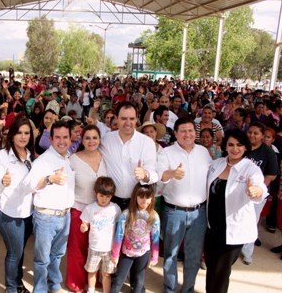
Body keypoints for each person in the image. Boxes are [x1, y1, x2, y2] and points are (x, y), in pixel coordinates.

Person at [205, 128, 267, 293]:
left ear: (246, 147)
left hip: (233, 231)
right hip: (212, 229)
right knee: (211, 267)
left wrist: (256, 191)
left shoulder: (251, 169)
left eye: (239, 145)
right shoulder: (216, 164)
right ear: (225, 146)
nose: (235, 148)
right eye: (231, 144)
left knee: (220, 271)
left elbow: (259, 187)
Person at [157, 117, 212, 293]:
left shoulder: (203, 152)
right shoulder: (166, 153)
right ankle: (170, 289)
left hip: (199, 213)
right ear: (175, 134)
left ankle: (188, 289)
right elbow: (159, 178)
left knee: (194, 256)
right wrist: (171, 173)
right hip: (174, 212)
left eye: (190, 131)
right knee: (171, 254)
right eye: (183, 131)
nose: (187, 134)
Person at [24, 120, 75, 293]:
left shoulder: (68, 158)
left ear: (71, 138)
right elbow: (30, 186)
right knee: (42, 258)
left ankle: (54, 284)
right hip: (46, 217)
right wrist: (49, 179)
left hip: (65, 216)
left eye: (65, 137)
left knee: (58, 255)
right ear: (51, 139)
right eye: (58, 137)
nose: (62, 141)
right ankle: (40, 289)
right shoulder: (43, 161)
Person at [0, 117, 35, 293]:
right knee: (14, 254)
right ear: (12, 134)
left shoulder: (29, 154)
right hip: (8, 214)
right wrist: (2, 182)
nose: (23, 136)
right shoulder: (2, 156)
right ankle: (11, 288)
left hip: (27, 213)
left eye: (26, 133)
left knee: (19, 251)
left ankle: (18, 283)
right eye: (19, 132)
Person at [65, 125, 108, 293]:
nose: (91, 141)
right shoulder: (73, 160)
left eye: (95, 137)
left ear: (99, 139)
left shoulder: (105, 157)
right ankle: (76, 282)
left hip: (101, 210)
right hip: (79, 210)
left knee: (97, 247)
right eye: (87, 138)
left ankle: (93, 279)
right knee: (78, 248)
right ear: (82, 140)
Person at [101, 101, 158, 211]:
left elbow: (155, 174)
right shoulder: (106, 140)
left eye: (132, 119)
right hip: (110, 202)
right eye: (123, 118)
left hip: (138, 203)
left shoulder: (146, 142)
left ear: (136, 119)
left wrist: (145, 174)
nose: (128, 122)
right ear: (116, 119)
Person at [110, 184, 160, 293]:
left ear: (152, 198)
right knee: (119, 280)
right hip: (126, 252)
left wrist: (154, 257)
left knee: (139, 280)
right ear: (135, 197)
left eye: (148, 197)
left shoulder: (154, 216)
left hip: (143, 253)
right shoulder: (126, 214)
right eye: (141, 197)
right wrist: (115, 254)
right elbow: (119, 235)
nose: (144, 200)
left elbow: (155, 238)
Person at [241, 121, 278, 265]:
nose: (252, 135)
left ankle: (247, 252)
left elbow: (271, 175)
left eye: (256, 133)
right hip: (238, 190)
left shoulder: (268, 152)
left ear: (262, 136)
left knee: (251, 222)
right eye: (250, 132)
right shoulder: (242, 146)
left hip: (256, 195)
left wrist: (259, 190)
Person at [80, 177, 121, 293]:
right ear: (95, 193)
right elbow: (85, 223)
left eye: (107, 196)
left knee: (106, 274)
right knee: (92, 271)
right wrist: (84, 227)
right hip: (94, 247)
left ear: (112, 196)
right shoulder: (90, 208)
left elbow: (118, 226)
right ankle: (91, 290)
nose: (104, 199)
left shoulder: (115, 208)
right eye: (101, 196)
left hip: (109, 248)